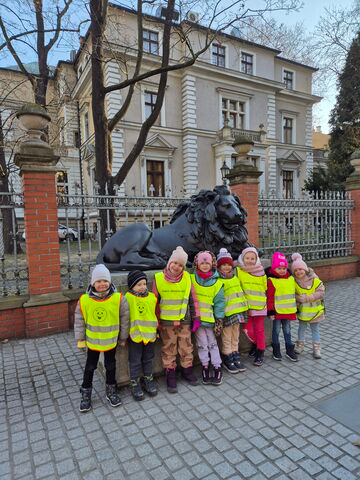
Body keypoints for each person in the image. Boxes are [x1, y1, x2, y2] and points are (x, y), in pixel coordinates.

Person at [74, 264, 128, 412]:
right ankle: (86, 392)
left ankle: (111, 390)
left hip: (111, 341)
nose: (102, 284)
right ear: (93, 283)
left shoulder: (118, 298)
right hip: (93, 342)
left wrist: (123, 337)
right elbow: (79, 320)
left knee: (111, 366)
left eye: (105, 281)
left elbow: (125, 318)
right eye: (98, 281)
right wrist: (80, 339)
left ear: (110, 282)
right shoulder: (85, 300)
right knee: (90, 367)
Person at [153, 246, 199, 393]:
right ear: (169, 262)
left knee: (186, 347)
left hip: (184, 320)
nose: (177, 267)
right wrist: (156, 321)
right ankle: (170, 373)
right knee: (169, 348)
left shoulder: (187, 278)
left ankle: (187, 370)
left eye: (181, 265)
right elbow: (154, 302)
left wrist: (196, 317)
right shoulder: (158, 278)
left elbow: (193, 299)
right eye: (175, 263)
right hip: (166, 323)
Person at [191, 251, 225, 385]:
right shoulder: (191, 279)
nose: (205, 265)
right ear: (197, 264)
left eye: (207, 263)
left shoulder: (217, 283)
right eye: (202, 263)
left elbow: (220, 303)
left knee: (213, 344)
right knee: (202, 345)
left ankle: (217, 366)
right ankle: (205, 366)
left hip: (211, 321)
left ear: (212, 264)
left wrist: (219, 319)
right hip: (198, 321)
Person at [125, 270, 158, 401]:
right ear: (132, 286)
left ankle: (148, 379)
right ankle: (134, 383)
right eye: (139, 284)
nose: (143, 287)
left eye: (144, 284)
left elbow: (155, 314)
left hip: (150, 335)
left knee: (148, 358)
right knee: (135, 361)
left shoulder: (151, 297)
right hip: (135, 336)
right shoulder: (127, 298)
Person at [216, 248, 248, 373]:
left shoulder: (235, 277)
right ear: (219, 267)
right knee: (227, 336)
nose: (226, 267)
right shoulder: (219, 280)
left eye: (228, 264)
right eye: (223, 265)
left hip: (238, 312)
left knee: (236, 335)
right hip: (227, 313)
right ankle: (227, 356)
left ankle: (235, 353)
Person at [291, 253, 325, 359]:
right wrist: (297, 298)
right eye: (295, 270)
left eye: (300, 269)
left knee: (315, 330)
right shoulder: (294, 282)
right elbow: (292, 293)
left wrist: (307, 298)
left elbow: (321, 292)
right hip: (303, 312)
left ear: (305, 269)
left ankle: (316, 348)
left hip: (315, 312)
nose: (298, 272)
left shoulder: (315, 280)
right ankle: (300, 346)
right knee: (301, 329)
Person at [237, 247, 267, 366]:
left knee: (259, 329)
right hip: (246, 307)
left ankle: (260, 350)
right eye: (247, 258)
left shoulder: (261, 272)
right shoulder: (239, 271)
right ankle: (257, 344)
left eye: (252, 258)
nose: (250, 260)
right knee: (247, 329)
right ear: (243, 258)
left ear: (257, 259)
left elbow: (265, 288)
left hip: (260, 306)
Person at [266, 251, 298, 362]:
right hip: (277, 312)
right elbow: (269, 298)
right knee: (276, 331)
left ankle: (289, 350)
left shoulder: (291, 279)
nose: (282, 270)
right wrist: (270, 312)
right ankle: (276, 350)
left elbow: (293, 294)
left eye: (284, 268)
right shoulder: (271, 280)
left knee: (287, 330)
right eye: (279, 268)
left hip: (288, 310)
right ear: (274, 269)